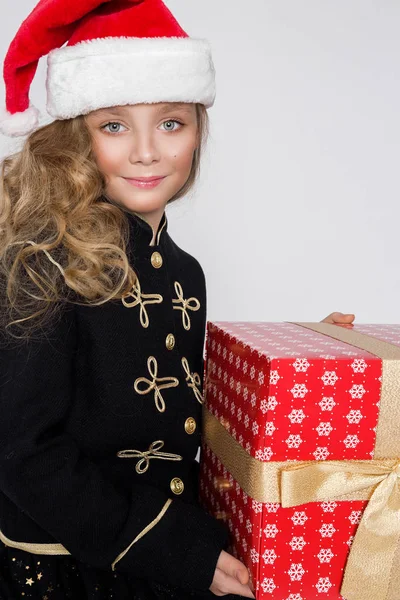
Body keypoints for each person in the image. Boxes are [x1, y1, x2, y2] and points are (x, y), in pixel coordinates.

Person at [0, 0, 355, 598]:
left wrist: (296, 361)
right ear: (72, 139)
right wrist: (169, 547)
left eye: (171, 123)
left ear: (197, 132)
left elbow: (176, 392)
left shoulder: (184, 271)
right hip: (72, 572)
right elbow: (19, 448)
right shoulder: (41, 258)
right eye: (113, 125)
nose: (146, 152)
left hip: (162, 558)